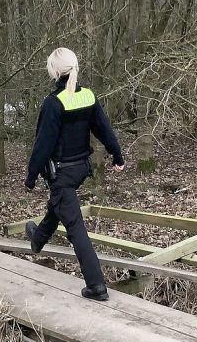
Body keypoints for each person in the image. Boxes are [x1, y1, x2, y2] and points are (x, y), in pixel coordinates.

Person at [24, 48, 126, 301]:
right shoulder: (88, 96)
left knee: (75, 228)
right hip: (81, 168)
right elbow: (104, 130)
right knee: (60, 203)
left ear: (56, 72)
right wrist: (117, 155)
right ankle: (37, 239)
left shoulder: (53, 103)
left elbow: (43, 145)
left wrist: (31, 176)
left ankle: (96, 286)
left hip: (61, 173)